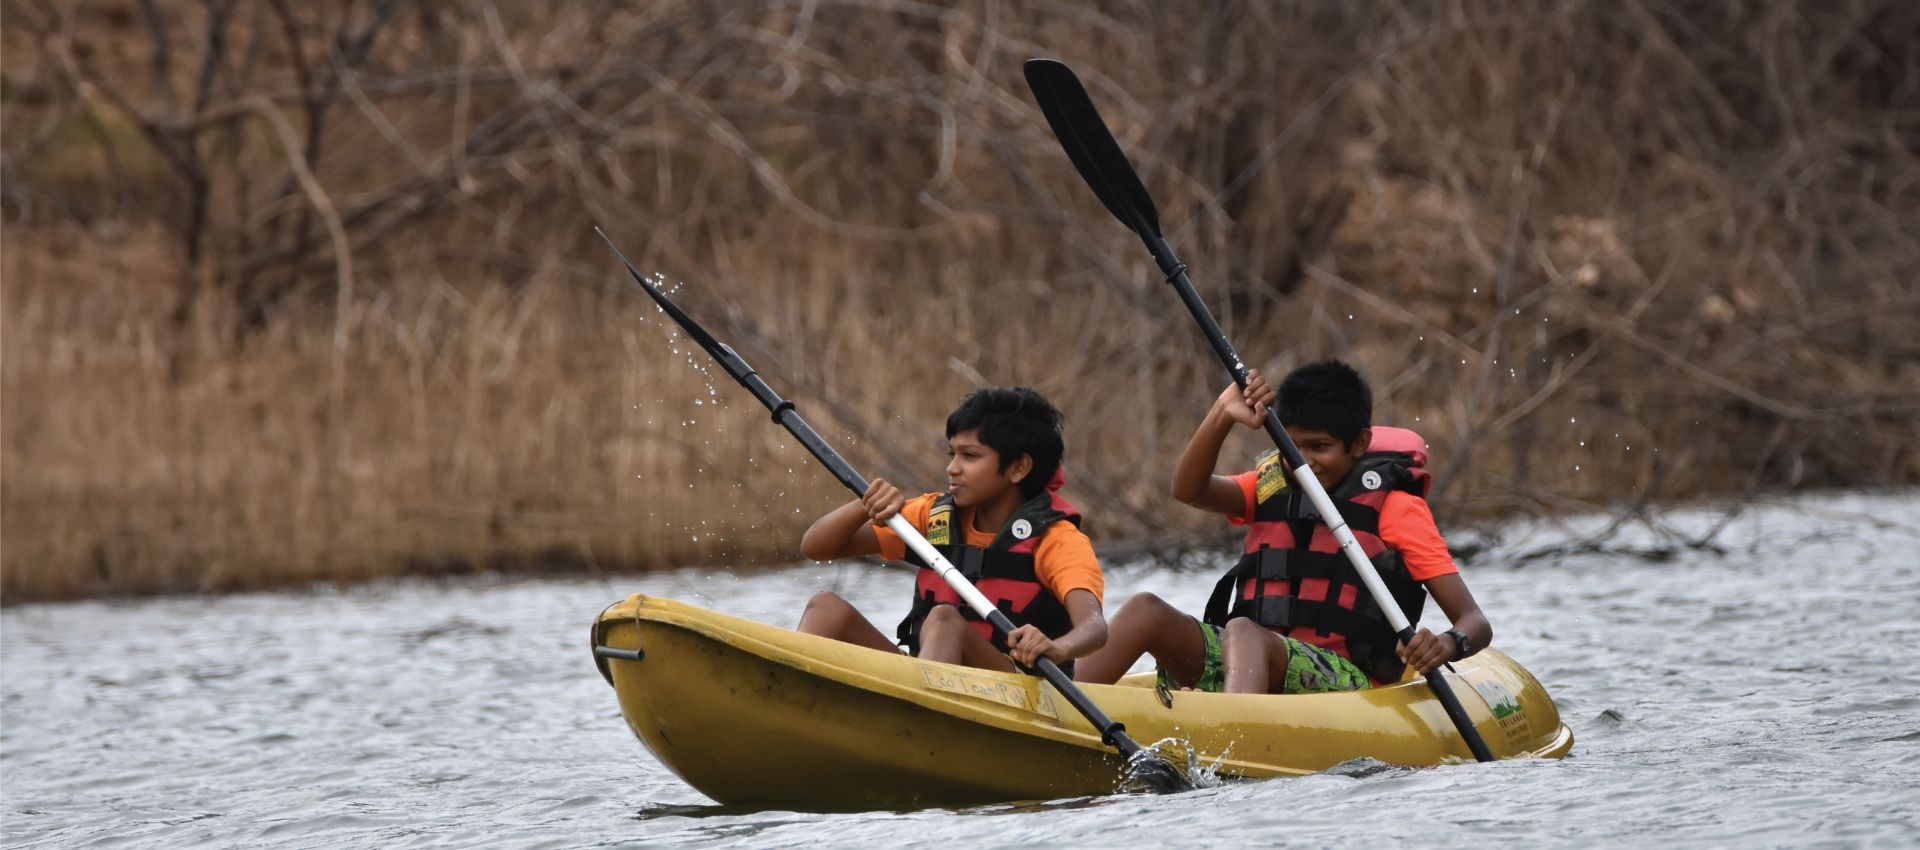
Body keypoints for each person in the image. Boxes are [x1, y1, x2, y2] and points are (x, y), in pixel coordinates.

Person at [1074, 360, 1489, 696]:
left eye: (1319, 447)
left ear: (1359, 444)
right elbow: (1189, 489)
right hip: (1249, 661)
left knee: (1244, 632)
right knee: (1146, 609)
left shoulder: (1395, 509)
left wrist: (1446, 644)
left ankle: (1232, 737)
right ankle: (1067, 711)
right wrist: (1222, 414)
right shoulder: (1271, 487)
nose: (1304, 461)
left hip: (1345, 682)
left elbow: (1473, 620)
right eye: (1293, 448)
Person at [796, 387, 1108, 673]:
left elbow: (1094, 627)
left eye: (969, 456)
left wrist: (1057, 647)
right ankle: (790, 695)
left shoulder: (1057, 540)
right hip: (924, 675)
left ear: (1018, 468)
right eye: (952, 453)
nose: (952, 468)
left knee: (946, 620)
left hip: (1017, 690)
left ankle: (923, 715)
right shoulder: (933, 516)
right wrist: (865, 505)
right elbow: (817, 548)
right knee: (826, 608)